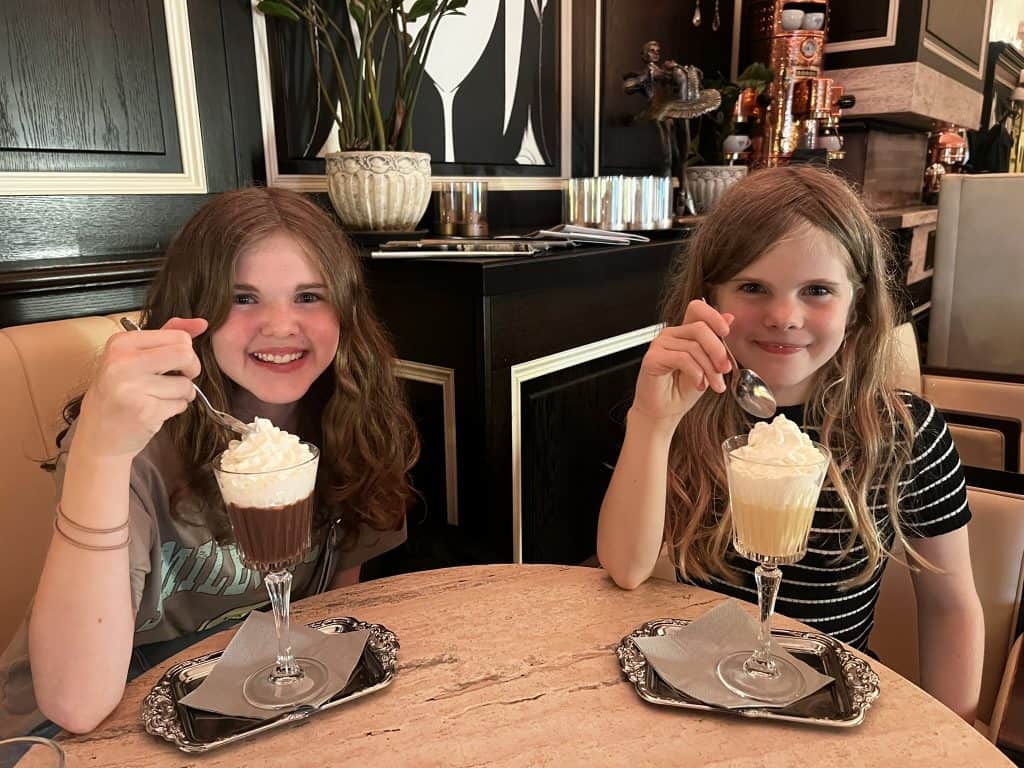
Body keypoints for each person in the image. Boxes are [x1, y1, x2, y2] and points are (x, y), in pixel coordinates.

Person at [0, 187, 419, 736]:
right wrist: (99, 448)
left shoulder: (354, 419)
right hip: (90, 721)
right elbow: (74, 705)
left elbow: (331, 612)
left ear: (345, 310)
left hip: (249, 707)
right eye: (242, 298)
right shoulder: (132, 440)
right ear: (193, 310)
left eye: (309, 296)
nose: (279, 325)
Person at [596, 165, 984, 722]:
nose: (783, 316)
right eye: (753, 288)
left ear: (858, 306)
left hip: (824, 705)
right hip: (701, 701)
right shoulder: (686, 407)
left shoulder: (904, 433)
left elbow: (950, 609)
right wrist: (652, 422)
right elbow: (627, 569)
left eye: (818, 291)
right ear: (710, 297)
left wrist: (956, 742)